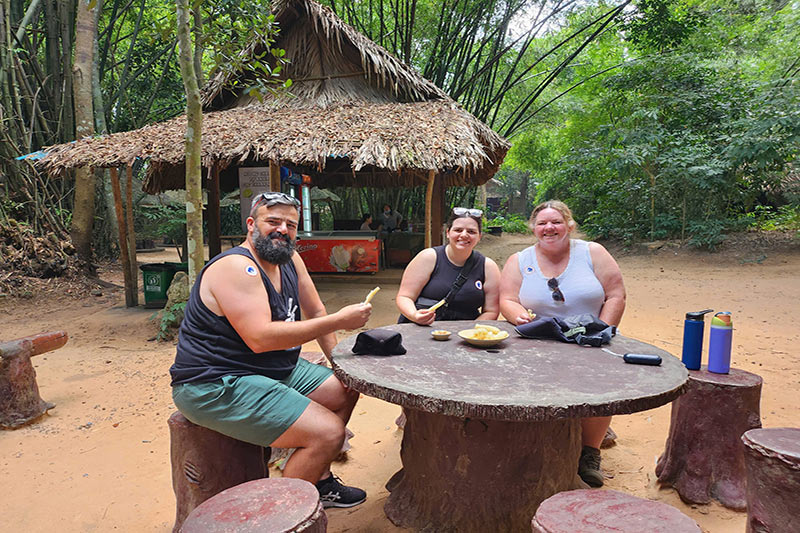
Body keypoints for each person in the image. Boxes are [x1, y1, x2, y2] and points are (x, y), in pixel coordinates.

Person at [170, 191, 372, 509]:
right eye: (272, 221)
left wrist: (339, 365)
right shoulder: (237, 267)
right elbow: (260, 338)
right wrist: (341, 319)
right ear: (252, 224)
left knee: (346, 389)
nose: (282, 230)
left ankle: (318, 479)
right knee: (328, 433)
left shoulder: (291, 259)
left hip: (272, 368)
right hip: (216, 382)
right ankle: (282, 515)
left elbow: (316, 312)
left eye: (290, 225)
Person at [499, 200, 626, 488]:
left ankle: (589, 451)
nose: (549, 228)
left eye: (556, 222)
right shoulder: (519, 260)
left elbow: (616, 294)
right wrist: (517, 316)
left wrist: (604, 330)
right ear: (533, 228)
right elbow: (507, 299)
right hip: (538, 337)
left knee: (602, 384)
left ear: (569, 225)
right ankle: (533, 445)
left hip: (588, 336)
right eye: (542, 223)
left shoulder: (592, 252)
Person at [396, 207, 501, 325]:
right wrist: (414, 315)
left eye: (471, 232)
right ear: (447, 233)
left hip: (466, 334)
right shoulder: (428, 257)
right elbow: (405, 296)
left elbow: (491, 311)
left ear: (479, 237)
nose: (464, 235)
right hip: (425, 327)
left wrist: (470, 331)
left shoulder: (488, 267)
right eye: (458, 230)